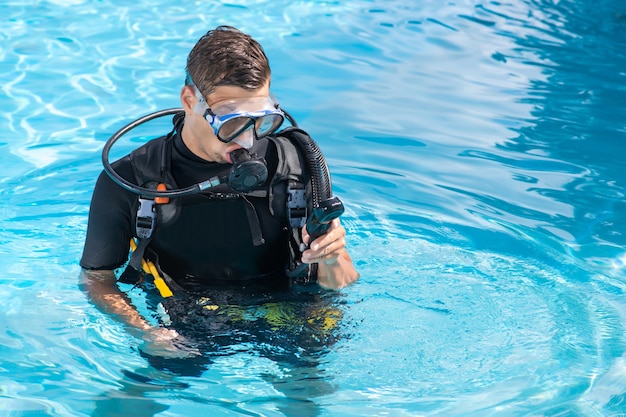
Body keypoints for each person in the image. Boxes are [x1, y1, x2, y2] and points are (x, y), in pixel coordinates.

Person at [79, 25, 359, 358]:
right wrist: (146, 332)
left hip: (288, 307)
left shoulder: (296, 165)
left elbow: (342, 282)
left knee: (307, 393)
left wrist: (332, 257)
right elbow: (98, 280)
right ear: (190, 100)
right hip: (185, 317)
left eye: (261, 120)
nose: (247, 140)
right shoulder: (131, 179)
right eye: (231, 122)